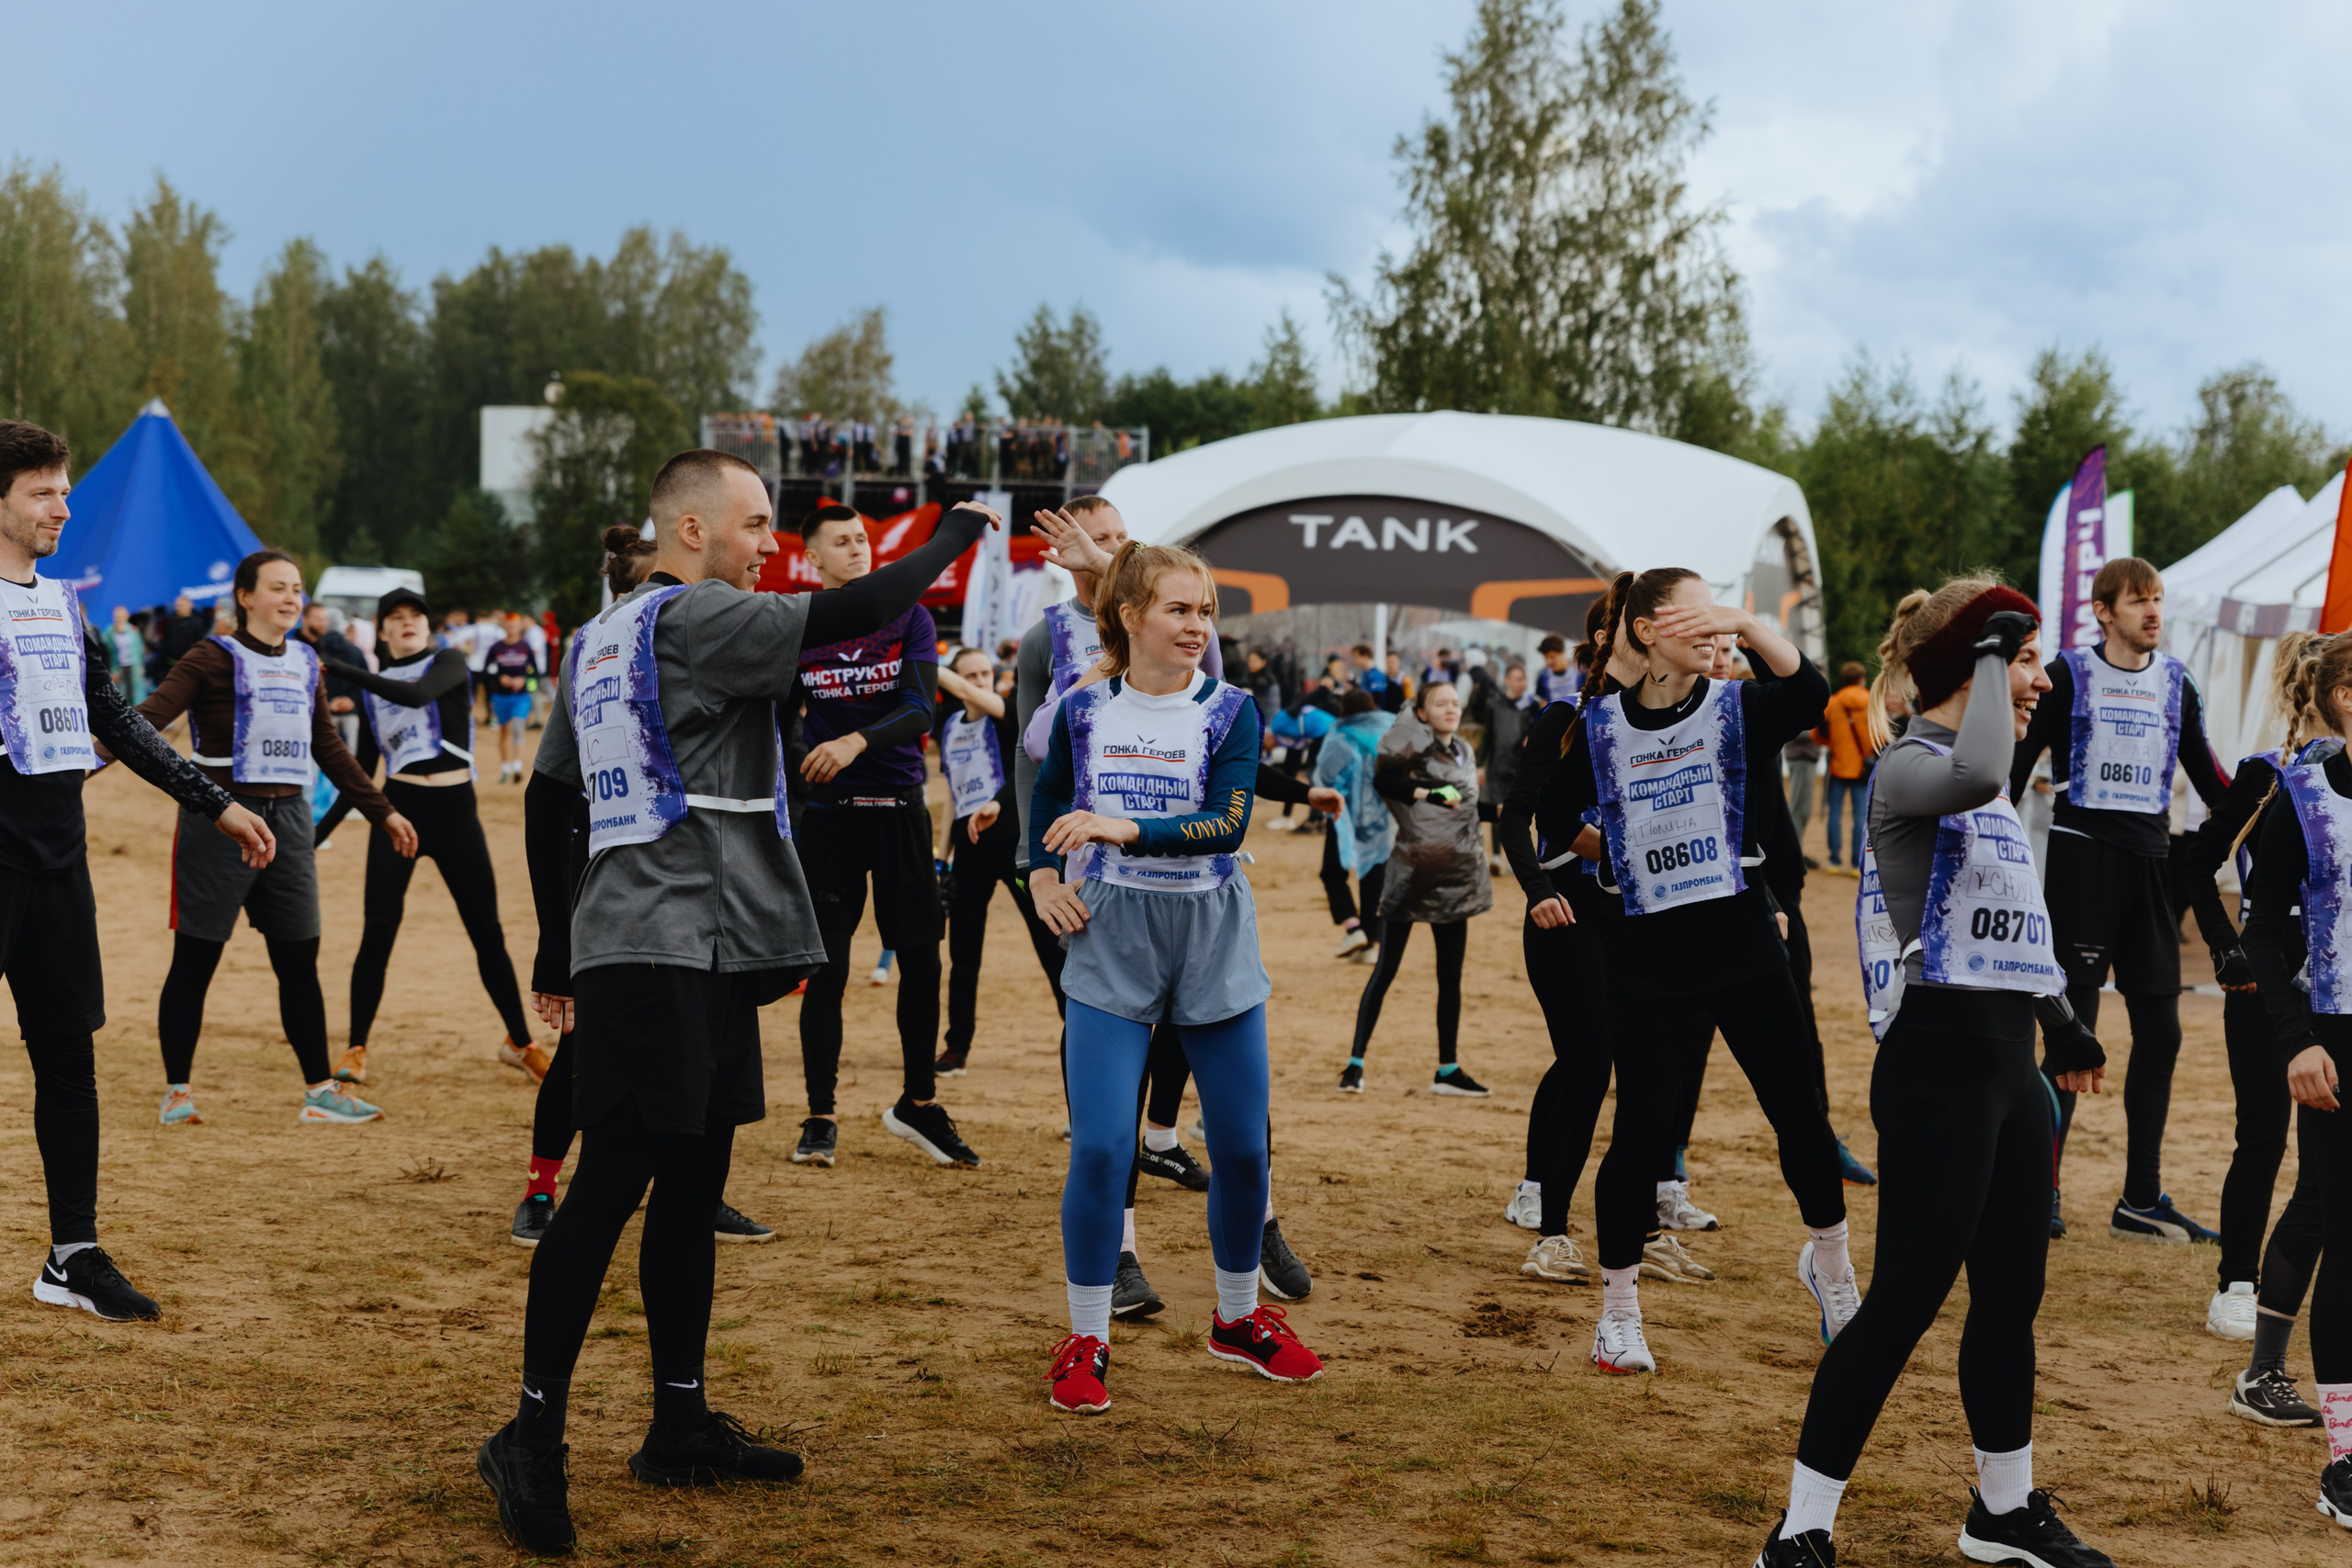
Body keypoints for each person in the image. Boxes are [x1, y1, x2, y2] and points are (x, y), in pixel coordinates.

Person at [476, 452, 997, 1554]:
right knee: (612, 1182)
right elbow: (852, 609)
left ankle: (678, 1423)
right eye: (757, 523)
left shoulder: (603, 633)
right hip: (659, 939)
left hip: (690, 941)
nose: (772, 544)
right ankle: (527, 1439)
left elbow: (554, 797)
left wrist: (558, 941)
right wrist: (952, 537)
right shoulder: (699, 615)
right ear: (694, 528)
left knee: (695, 1178)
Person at [1756, 579, 2113, 1568]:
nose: (2041, 678)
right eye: (2024, 658)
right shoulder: (1913, 766)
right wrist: (1990, 654)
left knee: (2008, 1299)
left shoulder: (1985, 783)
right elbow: (1979, 761)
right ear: (1975, 663)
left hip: (2009, 1067)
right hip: (1937, 1065)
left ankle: (1999, 1512)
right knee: (1906, 1299)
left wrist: (2063, 1025)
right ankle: (1798, 1531)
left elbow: (2006, 919)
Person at [1534, 569, 1850, 1375]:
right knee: (1642, 1133)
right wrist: (1617, 856)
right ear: (1645, 631)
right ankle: (1618, 1317)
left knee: (1802, 1117)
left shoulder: (1737, 706)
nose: (1715, 628)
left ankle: (1834, 1272)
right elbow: (1550, 813)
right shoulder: (1598, 726)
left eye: (1721, 614)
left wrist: (1745, 620)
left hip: (1742, 946)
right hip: (1646, 958)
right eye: (1698, 613)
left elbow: (1809, 686)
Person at [1030, 539, 1321, 1415]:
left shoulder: (1230, 710)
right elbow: (1045, 799)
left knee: (1239, 1147)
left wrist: (1120, 828)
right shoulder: (1083, 710)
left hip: (1212, 933)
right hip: (1112, 935)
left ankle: (1238, 1321)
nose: (1197, 627)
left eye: (1205, 612)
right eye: (1179, 610)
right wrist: (1042, 877)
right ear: (1128, 616)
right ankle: (1086, 1337)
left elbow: (1229, 822)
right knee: (1104, 1147)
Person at [0, 419, 275, 1322]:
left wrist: (215, 800)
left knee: (68, 1060)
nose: (63, 507)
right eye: (42, 491)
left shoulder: (56, 603)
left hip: (56, 861)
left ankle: (71, 1255)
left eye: (63, 488)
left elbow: (113, 716)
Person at [509, 528, 774, 1248]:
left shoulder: (697, 655)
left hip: (694, 912)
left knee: (697, 1074)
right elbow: (549, 804)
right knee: (583, 1059)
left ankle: (694, 1191)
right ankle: (541, 1189)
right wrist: (554, 945)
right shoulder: (601, 653)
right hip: (614, 903)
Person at [138, 551, 418, 1127]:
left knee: (299, 960)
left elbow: (328, 746)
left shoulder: (306, 659)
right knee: (196, 958)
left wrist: (382, 810)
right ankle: (177, 1091)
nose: (291, 598)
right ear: (245, 597)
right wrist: (88, 760)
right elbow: (147, 718)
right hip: (219, 821)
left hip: (290, 825)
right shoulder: (210, 655)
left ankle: (319, 1091)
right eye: (278, 588)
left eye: (297, 589)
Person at [2008, 558, 2230, 1243]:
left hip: (2151, 863)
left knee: (2161, 1031)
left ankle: (2140, 1197)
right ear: (2104, 612)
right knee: (2074, 1037)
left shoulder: (2176, 682)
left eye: (2158, 600)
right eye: (2139, 601)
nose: (2153, 612)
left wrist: (2272, 814)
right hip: (2081, 860)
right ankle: (2036, 1187)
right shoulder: (2069, 675)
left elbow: (2214, 781)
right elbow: (2013, 771)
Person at [786, 502, 978, 1169]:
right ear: (813, 557)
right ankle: (819, 1115)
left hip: (899, 809)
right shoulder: (801, 623)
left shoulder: (911, 616)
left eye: (862, 538)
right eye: (841, 543)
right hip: (830, 823)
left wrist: (852, 739)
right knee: (827, 971)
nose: (858, 550)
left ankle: (918, 1103)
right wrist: (798, 779)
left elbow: (922, 707)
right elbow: (781, 724)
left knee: (923, 962)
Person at [2177, 630, 2334, 1425]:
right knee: (2265, 1138)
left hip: (2334, 996)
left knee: (2319, 1174)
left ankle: (2266, 1344)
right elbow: (2196, 860)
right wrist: (2230, 947)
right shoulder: (2271, 778)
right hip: (2270, 989)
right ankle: (2236, 1285)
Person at [2220, 632, 2352, 1528]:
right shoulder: (2299, 796)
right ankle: (2345, 1457)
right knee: (2344, 1238)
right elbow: (2260, 934)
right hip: (2334, 1047)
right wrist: (2295, 1040)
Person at [312, 586, 539, 1089]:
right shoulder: (375, 689)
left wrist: (342, 669)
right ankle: (355, 1048)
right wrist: (313, 838)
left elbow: (414, 695)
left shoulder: (449, 660)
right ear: (383, 630)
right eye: (395, 617)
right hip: (400, 811)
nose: (407, 621)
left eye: (415, 614)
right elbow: (361, 776)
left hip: (457, 812)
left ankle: (520, 1043)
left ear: (426, 624)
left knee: (488, 934)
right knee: (378, 934)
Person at [1337, 681, 1495, 1095]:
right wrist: (1427, 790)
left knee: (1450, 977)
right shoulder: (1413, 749)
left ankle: (1448, 1069)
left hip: (1453, 879)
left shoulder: (1463, 750)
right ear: (1421, 713)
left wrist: (1501, 811)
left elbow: (1461, 805)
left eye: (1456, 703)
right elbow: (1386, 783)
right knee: (1386, 968)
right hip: (1409, 873)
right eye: (1440, 703)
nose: (1451, 708)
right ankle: (1355, 1064)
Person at [933, 644, 1064, 1079]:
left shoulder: (1010, 714)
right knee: (963, 953)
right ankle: (956, 1047)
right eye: (969, 676)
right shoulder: (948, 726)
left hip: (1017, 845)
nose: (979, 682)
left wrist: (923, 659)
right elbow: (954, 795)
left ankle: (1079, 1033)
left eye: (985, 674)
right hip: (969, 848)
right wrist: (943, 856)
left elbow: (1022, 777)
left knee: (1050, 946)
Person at [1316, 690, 1396, 962]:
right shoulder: (1387, 731)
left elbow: (1325, 774)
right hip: (1381, 820)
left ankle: (1352, 927)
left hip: (1344, 815)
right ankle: (1373, 945)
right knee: (1375, 877)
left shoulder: (1341, 736)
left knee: (1333, 872)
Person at [1477, 661, 1539, 868]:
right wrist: (1479, 765)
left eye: (1524, 679)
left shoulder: (1532, 706)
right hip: (1496, 766)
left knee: (1518, 813)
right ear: (1507, 681)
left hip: (1520, 767)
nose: (1522, 683)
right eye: (1518, 679)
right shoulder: (1493, 704)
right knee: (1496, 811)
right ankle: (1495, 856)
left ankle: (1516, 860)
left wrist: (1532, 737)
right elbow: (1487, 736)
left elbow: (1539, 731)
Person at [1819, 661, 1876, 872]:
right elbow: (1876, 735)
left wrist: (1834, 745)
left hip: (1837, 765)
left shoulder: (1832, 703)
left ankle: (1834, 860)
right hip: (1862, 767)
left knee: (1834, 812)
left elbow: (1819, 734)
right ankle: (1856, 863)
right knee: (1860, 815)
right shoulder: (1870, 701)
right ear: (1861, 679)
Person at [296, 600, 364, 752]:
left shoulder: (327, 647)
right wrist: (327, 705)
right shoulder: (294, 648)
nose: (322, 623)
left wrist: (350, 699)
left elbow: (359, 679)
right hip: (305, 723)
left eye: (324, 619)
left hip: (332, 716)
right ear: (304, 620)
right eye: (317, 619)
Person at [487, 614, 538, 783]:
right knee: (504, 732)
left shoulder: (525, 646)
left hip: (521, 697)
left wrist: (524, 679)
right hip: (501, 697)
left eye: (515, 626)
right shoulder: (496, 647)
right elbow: (486, 670)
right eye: (509, 626)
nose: (512, 629)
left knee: (518, 728)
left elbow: (535, 670)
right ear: (504, 627)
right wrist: (500, 678)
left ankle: (517, 769)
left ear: (519, 628)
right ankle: (505, 769)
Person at [1783, 727, 1821, 863]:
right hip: (1801, 757)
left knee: (1802, 808)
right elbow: (1792, 727)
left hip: (1803, 758)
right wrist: (1820, 728)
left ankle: (1794, 852)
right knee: (1800, 809)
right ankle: (1794, 854)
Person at [107, 605, 148, 705]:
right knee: (122, 690)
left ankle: (139, 712)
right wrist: (112, 670)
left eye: (120, 616)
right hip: (119, 666)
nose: (118, 618)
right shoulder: (109, 632)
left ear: (126, 617)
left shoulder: (133, 630)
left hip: (133, 664)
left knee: (136, 690)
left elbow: (140, 648)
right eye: (116, 616)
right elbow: (108, 652)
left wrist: (141, 665)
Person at [1533, 633, 1578, 706]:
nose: (1549, 662)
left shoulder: (1580, 672)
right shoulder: (1543, 677)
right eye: (1546, 658)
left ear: (1563, 652)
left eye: (1552, 657)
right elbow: (1542, 702)